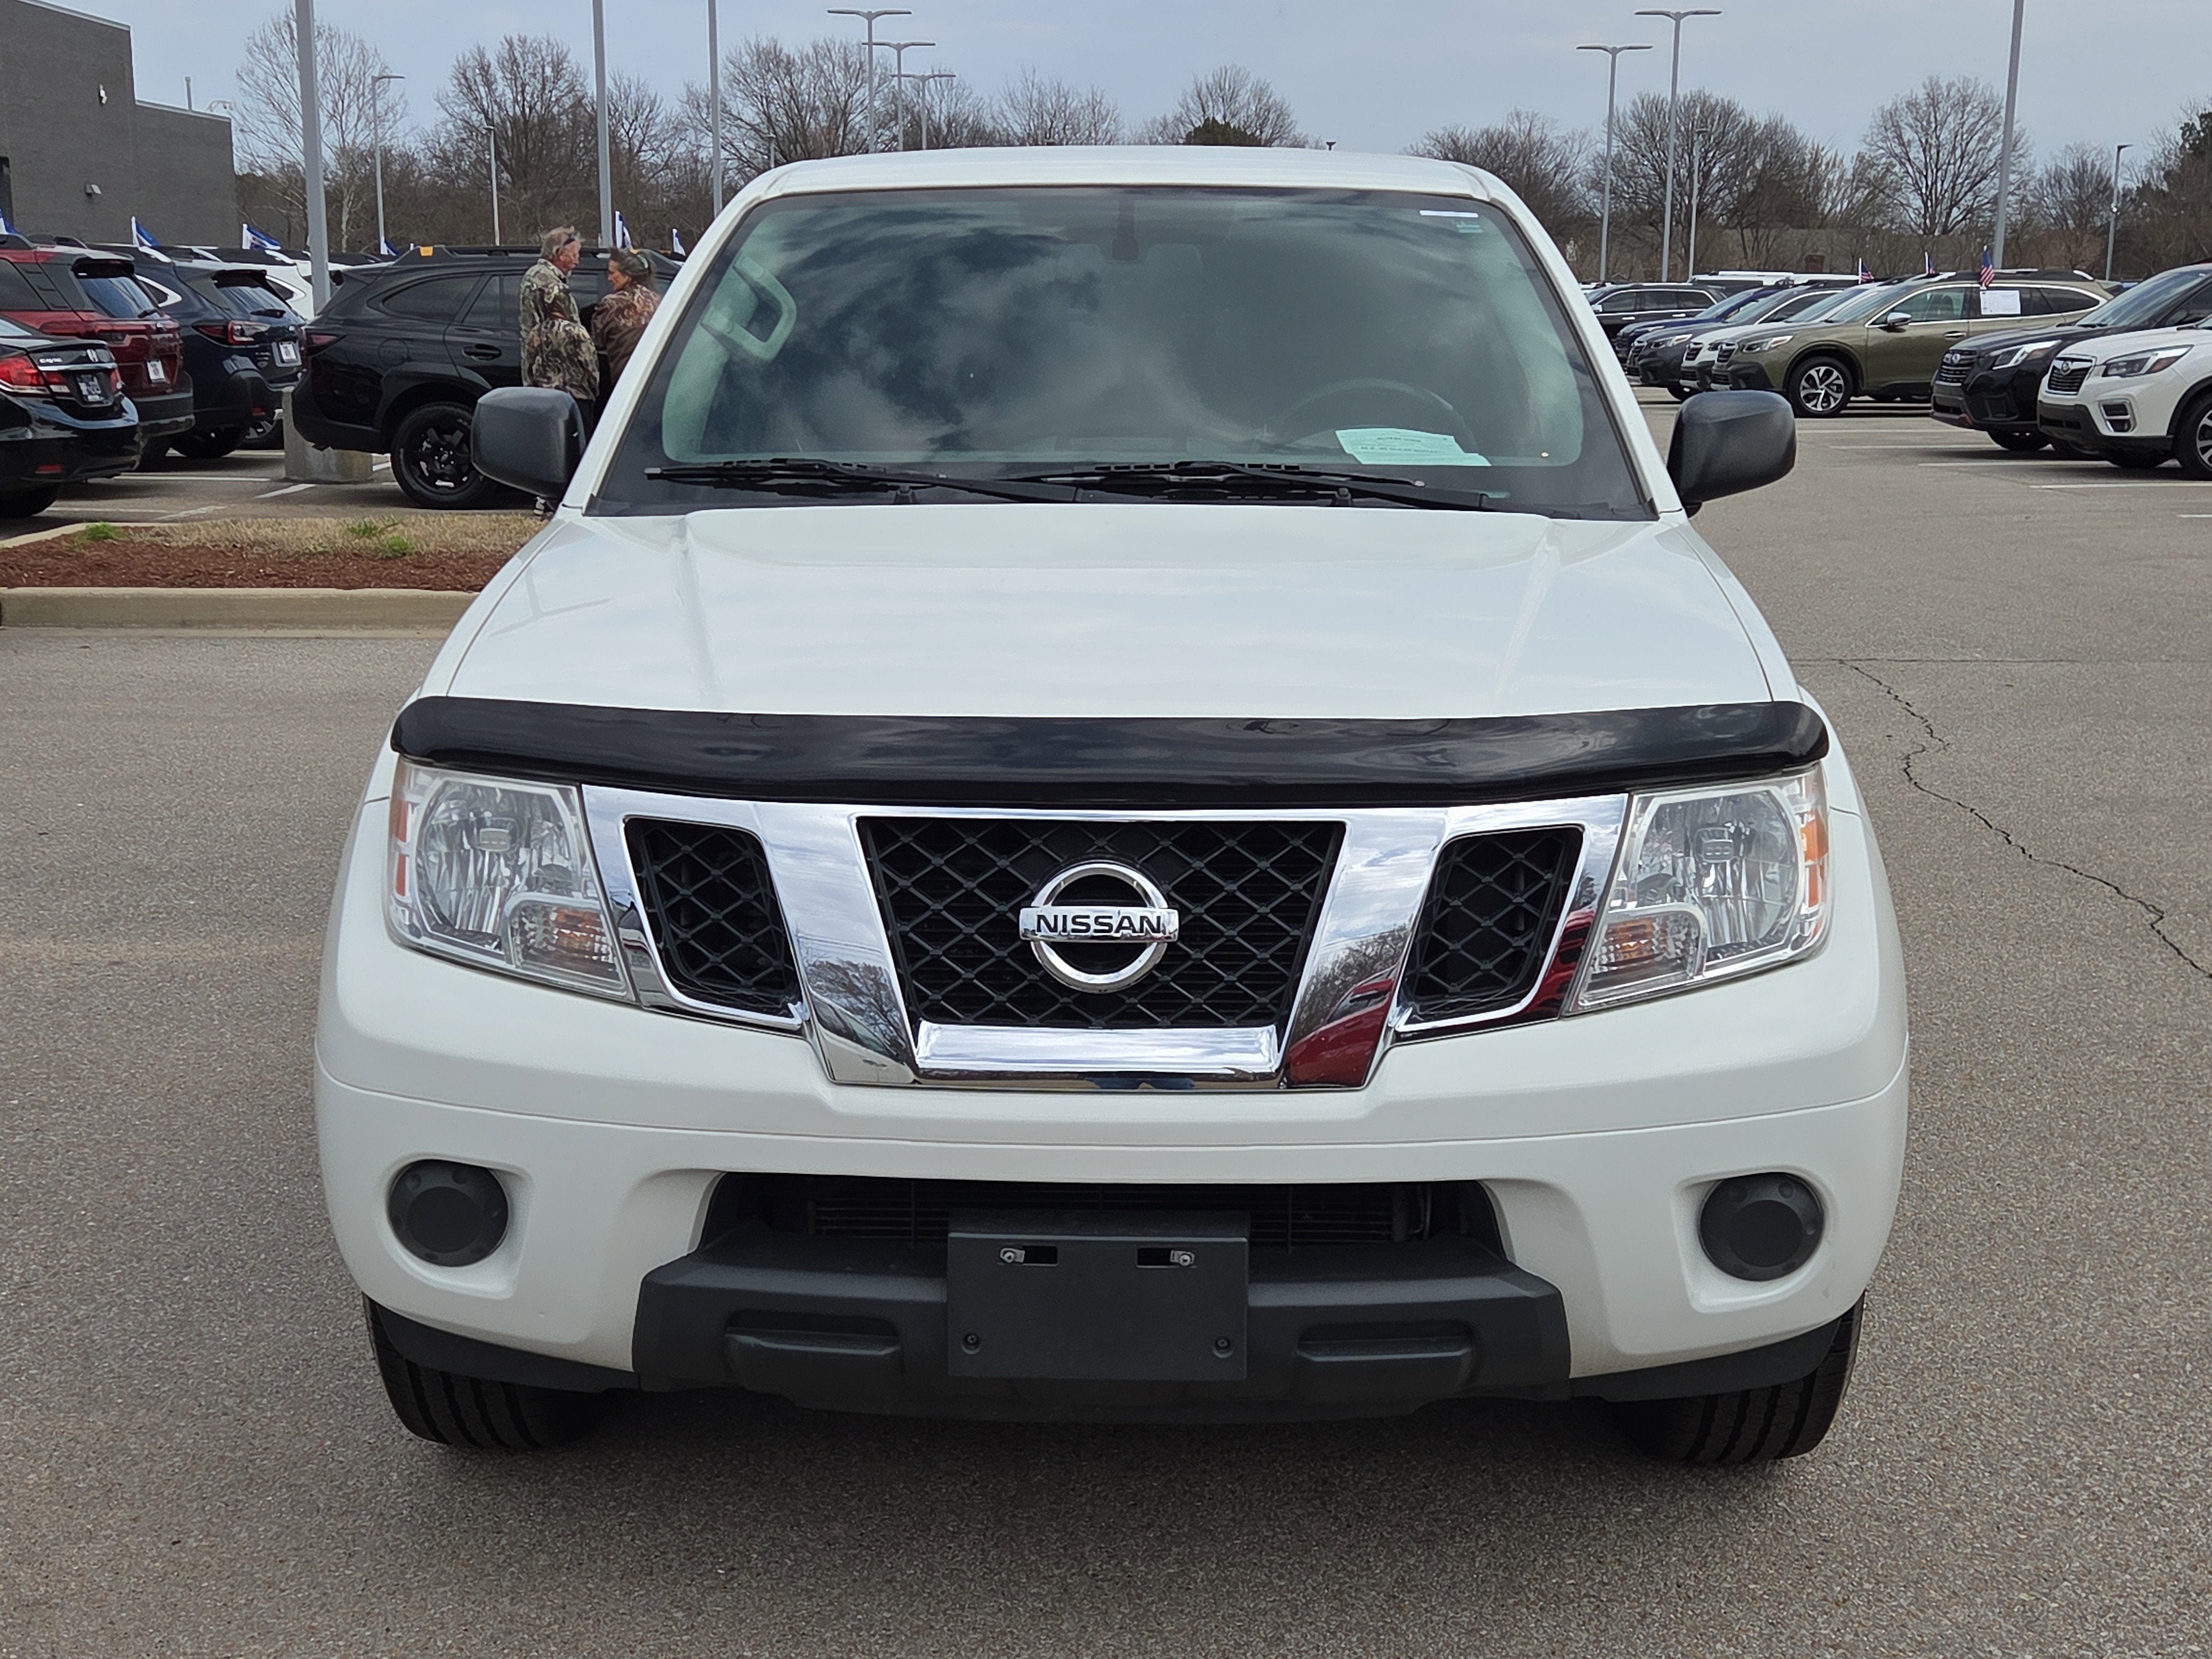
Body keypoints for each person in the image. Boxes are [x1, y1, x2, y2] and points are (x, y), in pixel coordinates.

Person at [520, 225, 599, 409]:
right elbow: (570, 331)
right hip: (558, 378)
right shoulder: (549, 284)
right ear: (559, 254)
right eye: (574, 255)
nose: (577, 262)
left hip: (542, 373)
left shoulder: (536, 275)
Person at [591, 248, 659, 387]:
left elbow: (596, 341)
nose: (609, 278)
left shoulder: (612, 303)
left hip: (624, 378)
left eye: (612, 273)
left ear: (627, 275)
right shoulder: (657, 301)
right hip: (654, 375)